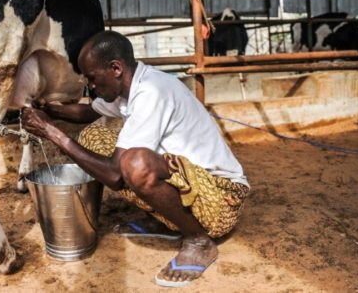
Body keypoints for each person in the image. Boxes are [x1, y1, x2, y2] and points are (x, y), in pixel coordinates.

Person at [21, 30, 249, 288]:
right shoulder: (129, 89)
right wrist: (50, 111)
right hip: (194, 184)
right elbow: (88, 112)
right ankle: (167, 218)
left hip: (221, 200)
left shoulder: (152, 91)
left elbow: (116, 177)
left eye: (92, 79)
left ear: (115, 68)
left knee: (134, 164)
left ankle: (198, 239)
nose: (90, 87)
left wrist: (52, 132)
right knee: (95, 136)